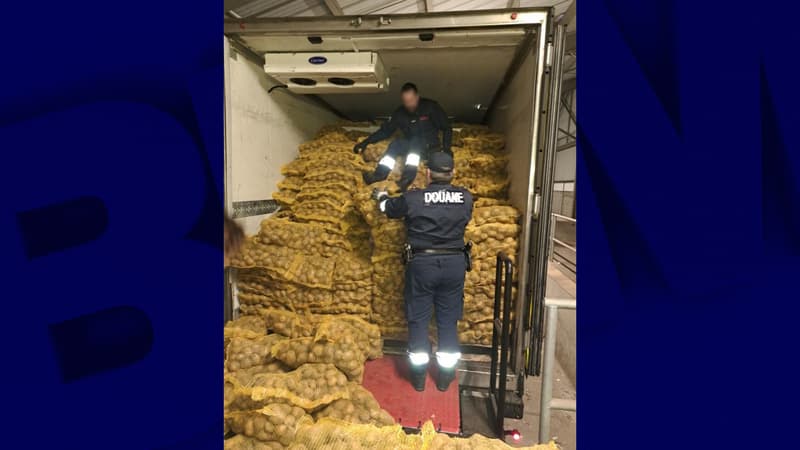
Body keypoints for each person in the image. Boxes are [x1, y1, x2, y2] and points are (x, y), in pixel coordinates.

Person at [372, 152, 473, 392]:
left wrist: (381, 197)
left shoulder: (414, 198)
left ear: (427, 173)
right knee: (448, 321)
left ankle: (418, 378)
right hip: (454, 264)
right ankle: (445, 378)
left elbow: (388, 208)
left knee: (418, 319)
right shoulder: (466, 197)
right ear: (452, 173)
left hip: (422, 265)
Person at [354, 82, 452, 191]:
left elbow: (446, 128)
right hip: (412, 147)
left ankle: (406, 179)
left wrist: (447, 149)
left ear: (417, 97)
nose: (409, 104)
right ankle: (379, 175)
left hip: (431, 148)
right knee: (396, 144)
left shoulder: (431, 107)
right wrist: (365, 142)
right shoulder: (400, 113)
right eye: (406, 102)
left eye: (411, 101)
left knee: (416, 141)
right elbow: (385, 131)